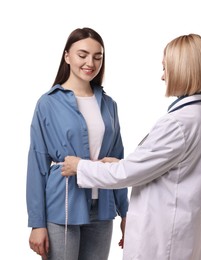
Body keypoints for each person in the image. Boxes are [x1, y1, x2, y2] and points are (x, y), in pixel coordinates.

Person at [61, 33, 201, 260]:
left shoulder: (177, 124)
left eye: (166, 68)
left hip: (163, 239)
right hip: (185, 231)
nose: (163, 76)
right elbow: (166, 168)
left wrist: (80, 167)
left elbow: (128, 174)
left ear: (183, 70)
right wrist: (123, 164)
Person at [26, 27, 128, 260]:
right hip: (62, 206)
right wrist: (37, 223)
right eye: (82, 55)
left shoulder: (109, 105)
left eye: (97, 57)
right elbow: (37, 164)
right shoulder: (48, 103)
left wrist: (126, 212)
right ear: (67, 56)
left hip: (102, 208)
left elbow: (118, 163)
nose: (90, 62)